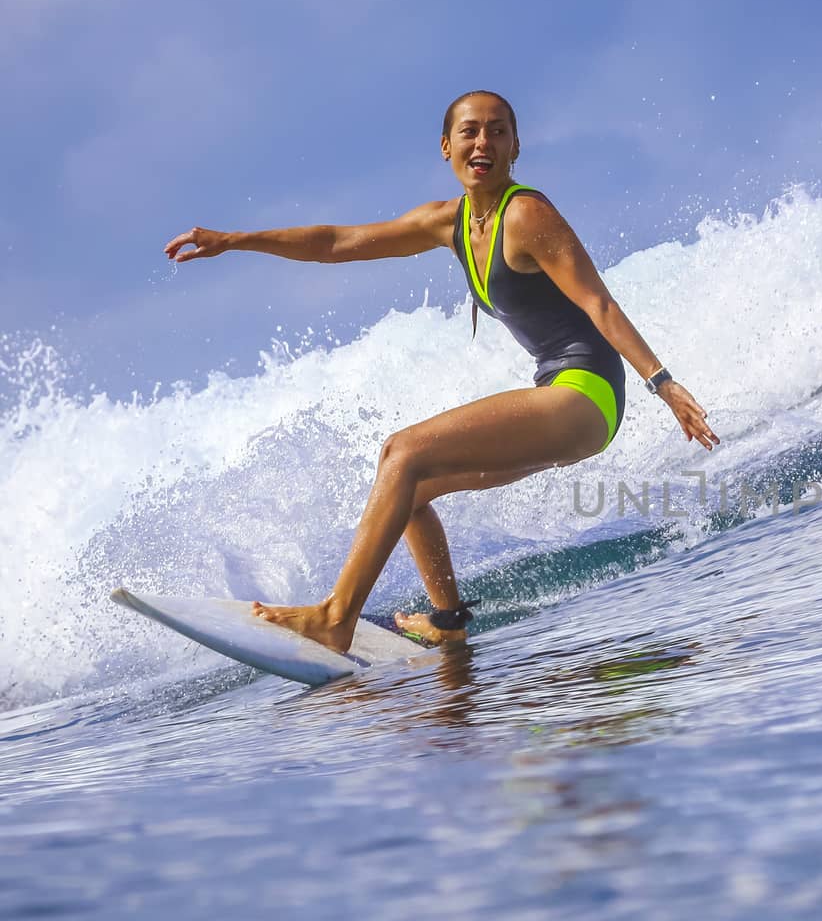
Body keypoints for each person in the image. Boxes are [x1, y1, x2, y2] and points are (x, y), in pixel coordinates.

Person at [164, 90, 718, 651]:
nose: (484, 143)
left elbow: (600, 304)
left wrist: (663, 383)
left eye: (498, 131)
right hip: (559, 389)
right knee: (404, 484)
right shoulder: (446, 223)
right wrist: (233, 240)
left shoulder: (527, 214)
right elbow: (336, 243)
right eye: (471, 131)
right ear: (446, 146)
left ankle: (335, 618)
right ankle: (448, 623)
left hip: (587, 393)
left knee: (403, 451)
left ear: (516, 146)